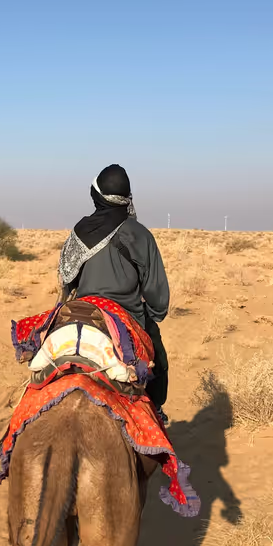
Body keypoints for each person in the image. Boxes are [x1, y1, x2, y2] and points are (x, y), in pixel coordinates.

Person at [58, 164, 171, 423]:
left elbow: (67, 280)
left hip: (79, 312)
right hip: (126, 316)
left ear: (95, 195)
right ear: (126, 198)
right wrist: (152, 315)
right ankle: (155, 411)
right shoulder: (140, 235)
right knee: (159, 363)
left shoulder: (79, 232)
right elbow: (157, 297)